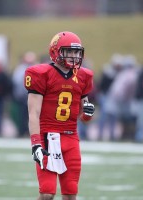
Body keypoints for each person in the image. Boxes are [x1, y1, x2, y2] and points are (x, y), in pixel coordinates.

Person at [24, 31, 95, 200]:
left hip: (71, 138)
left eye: (77, 52)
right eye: (69, 52)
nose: (74, 56)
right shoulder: (41, 74)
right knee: (47, 193)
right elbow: (33, 113)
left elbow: (84, 118)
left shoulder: (83, 76)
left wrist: (88, 115)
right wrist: (36, 144)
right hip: (47, 137)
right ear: (55, 52)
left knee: (71, 195)